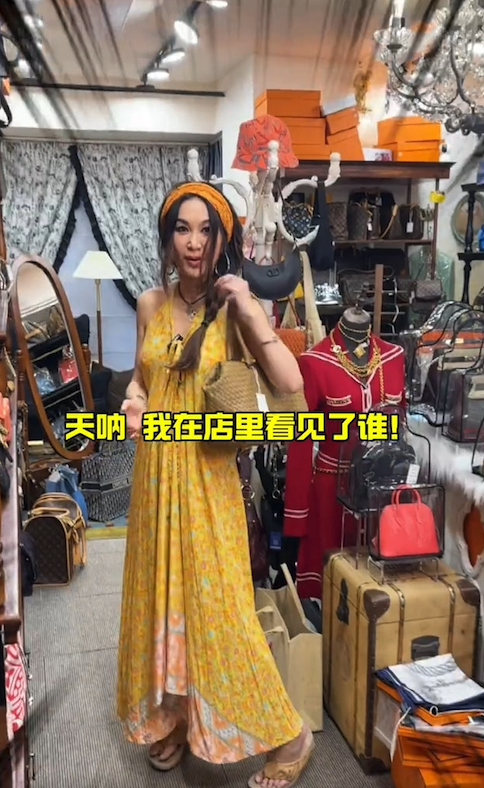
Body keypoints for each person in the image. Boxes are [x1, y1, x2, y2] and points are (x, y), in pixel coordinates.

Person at [117, 182, 315, 788]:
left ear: (222, 239)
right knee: (163, 602)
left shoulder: (233, 308)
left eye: (206, 230)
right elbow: (141, 377)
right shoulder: (150, 304)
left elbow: (291, 385)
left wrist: (251, 311)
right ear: (168, 237)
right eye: (183, 228)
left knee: (222, 613)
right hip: (155, 485)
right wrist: (134, 398)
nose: (194, 242)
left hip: (209, 484)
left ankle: (291, 735)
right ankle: (175, 717)